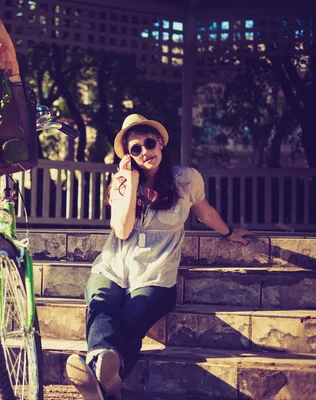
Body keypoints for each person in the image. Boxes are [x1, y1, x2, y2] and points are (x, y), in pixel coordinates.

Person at [65, 114, 253, 400]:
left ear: (161, 143)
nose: (145, 152)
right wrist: (130, 179)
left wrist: (227, 233)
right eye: (135, 149)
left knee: (130, 318)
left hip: (155, 275)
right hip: (112, 268)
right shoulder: (120, 182)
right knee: (101, 305)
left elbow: (204, 212)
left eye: (149, 143)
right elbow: (123, 229)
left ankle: (99, 380)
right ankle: (103, 370)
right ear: (128, 156)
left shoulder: (186, 178)